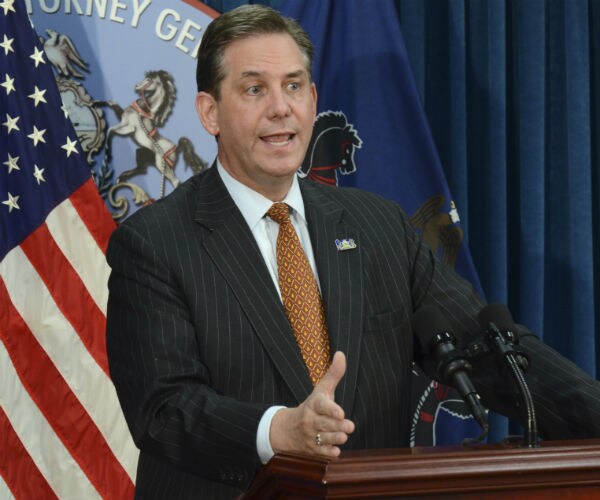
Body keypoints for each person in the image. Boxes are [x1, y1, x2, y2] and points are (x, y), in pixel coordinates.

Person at [105, 4, 600, 499]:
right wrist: (277, 431)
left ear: (313, 100)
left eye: (294, 86)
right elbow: (163, 408)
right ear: (209, 111)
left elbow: (484, 346)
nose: (280, 108)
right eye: (255, 89)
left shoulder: (380, 226)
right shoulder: (155, 243)